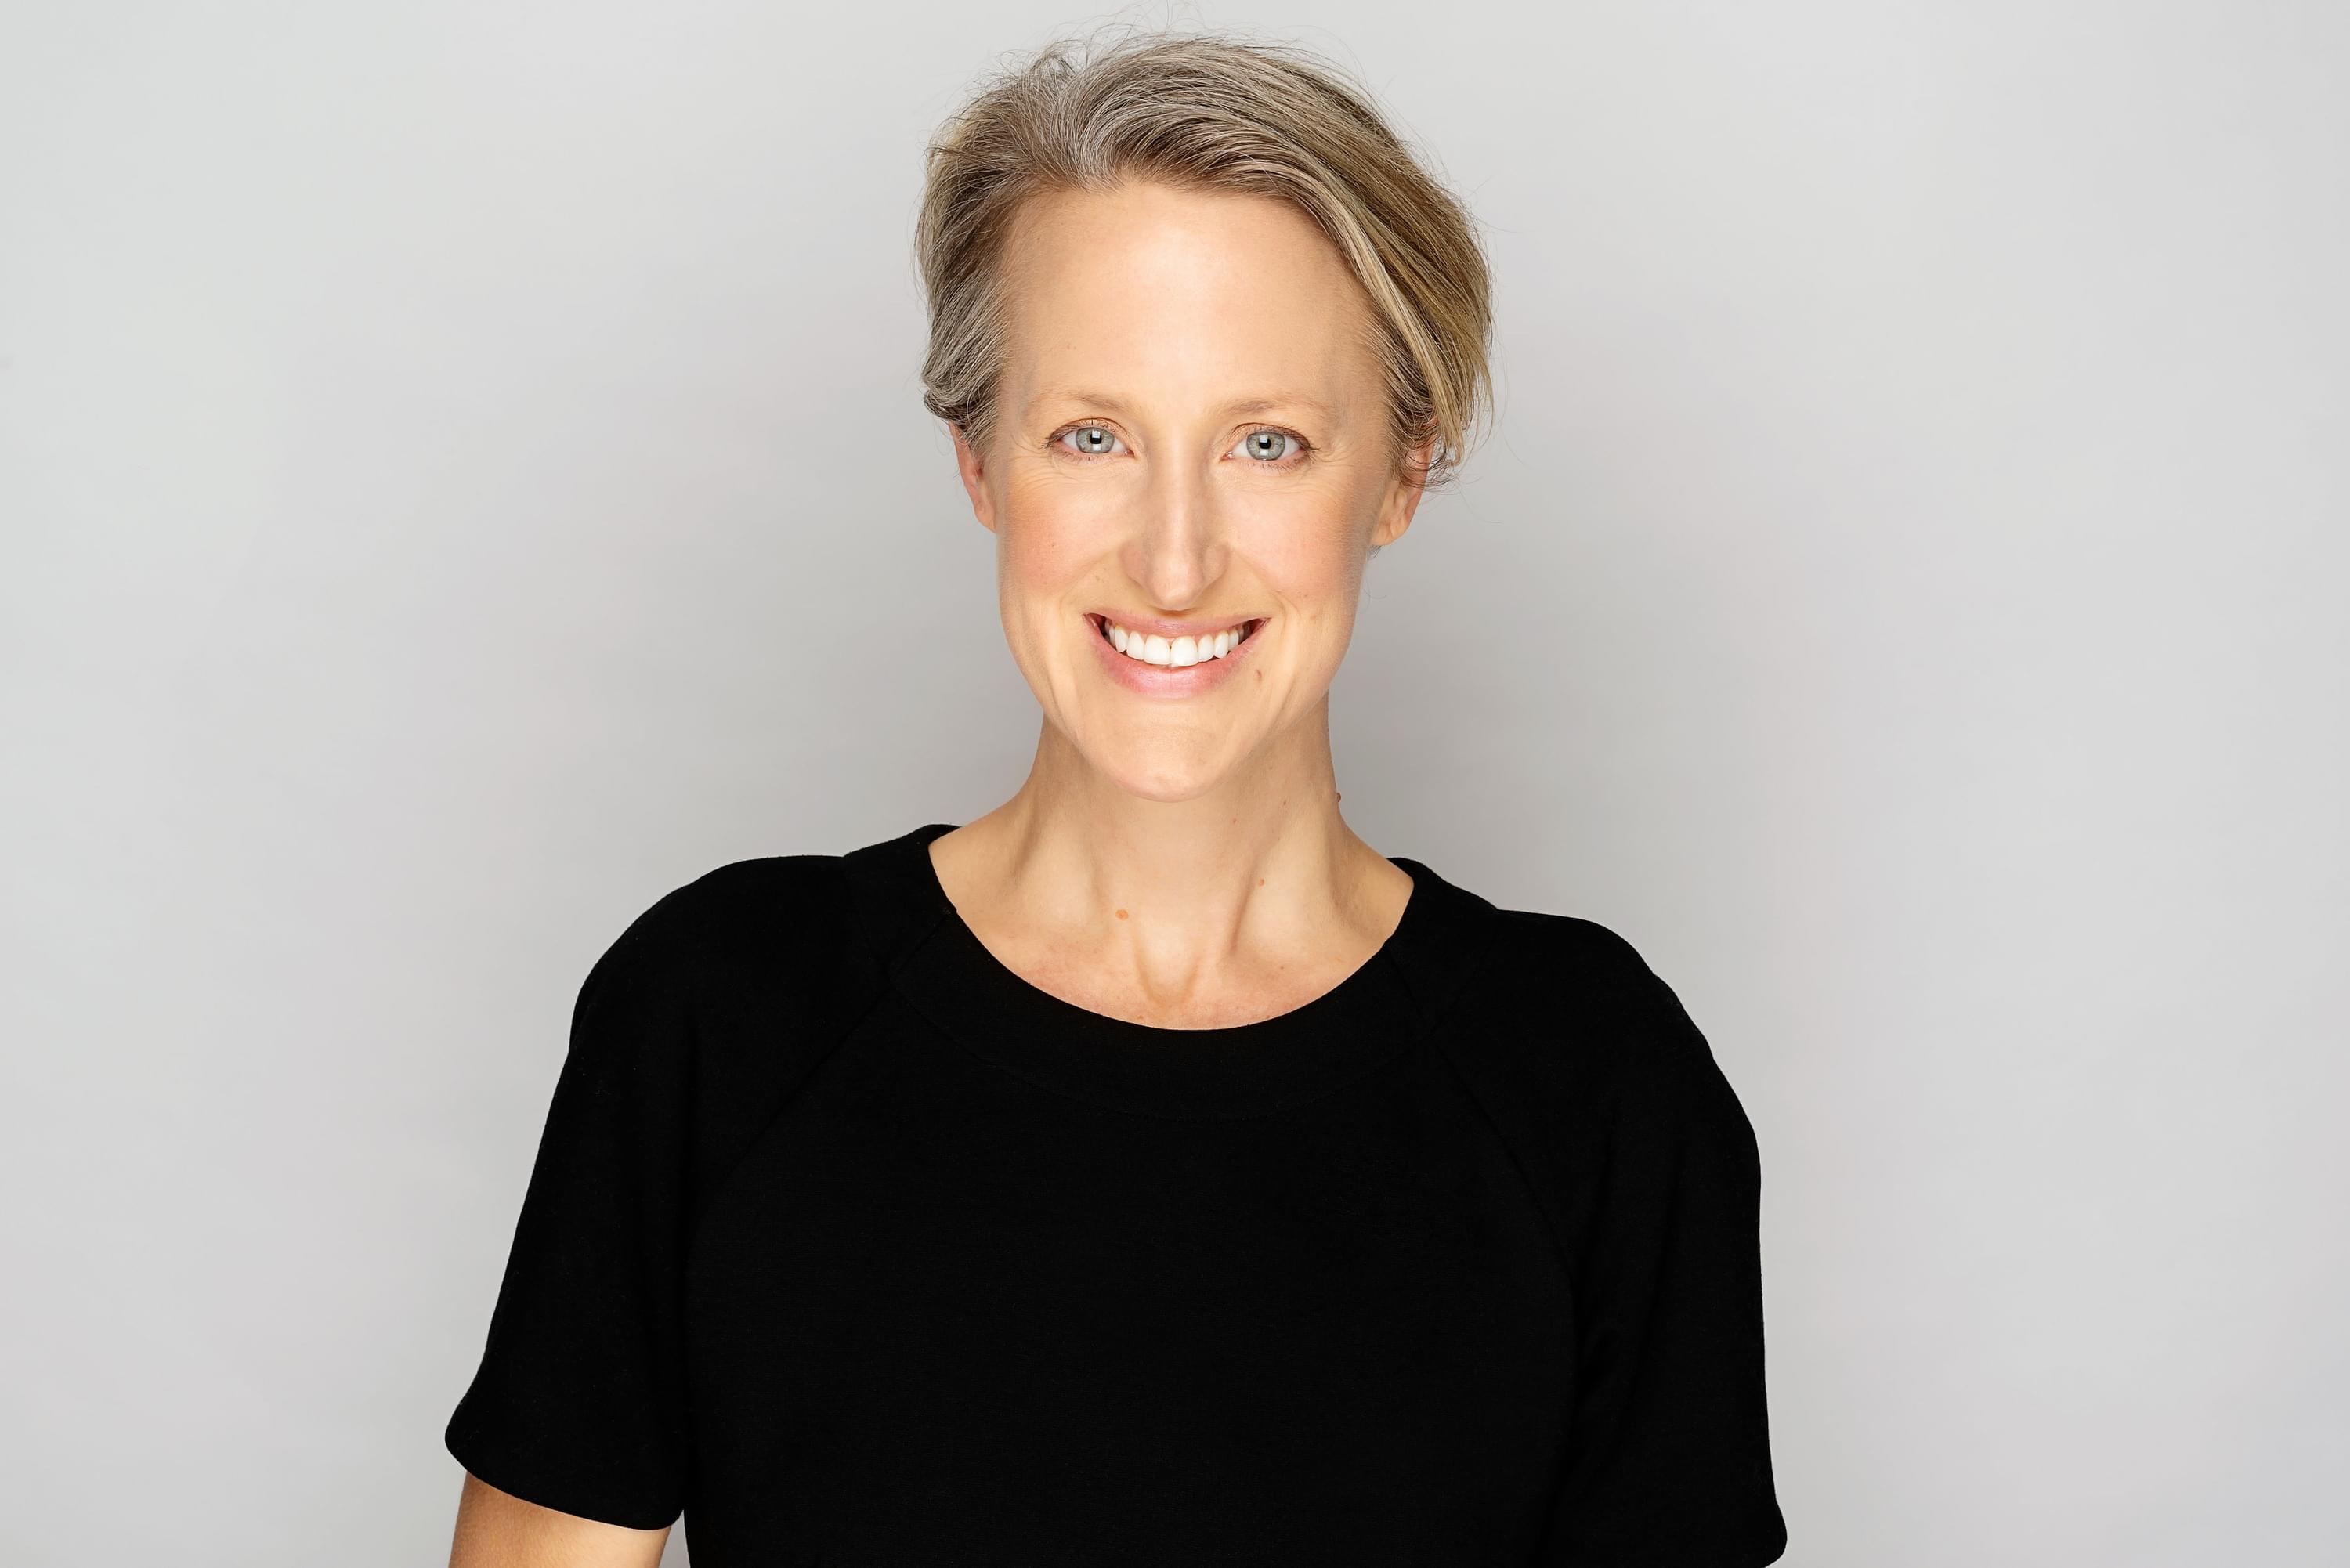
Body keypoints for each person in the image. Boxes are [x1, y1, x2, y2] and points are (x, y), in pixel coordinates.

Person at [443, 27, 1788, 1568]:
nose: (1173, 558)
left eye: (1268, 443)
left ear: (1403, 474)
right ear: (979, 462)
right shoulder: (720, 1020)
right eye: (1092, 436)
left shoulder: (1597, 1088)